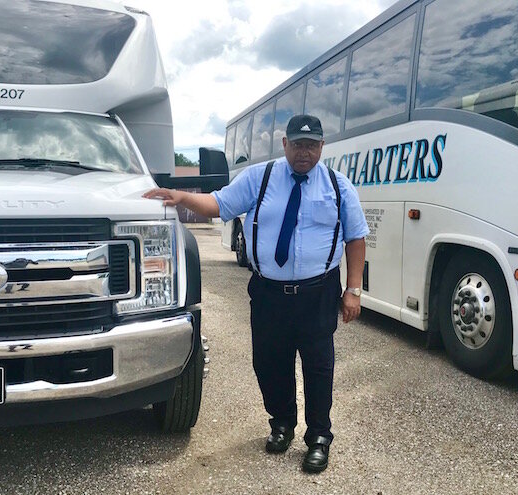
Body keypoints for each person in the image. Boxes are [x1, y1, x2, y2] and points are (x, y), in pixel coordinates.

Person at [143, 114, 368, 473]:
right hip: (269, 293)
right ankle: (281, 424)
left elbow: (356, 237)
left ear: (322, 147)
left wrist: (353, 290)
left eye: (311, 145)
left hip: (317, 292)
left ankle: (319, 438)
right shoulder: (260, 178)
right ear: (284, 144)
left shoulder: (338, 187)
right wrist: (181, 196)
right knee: (269, 362)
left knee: (319, 366)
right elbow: (219, 204)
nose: (304, 152)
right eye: (297, 144)